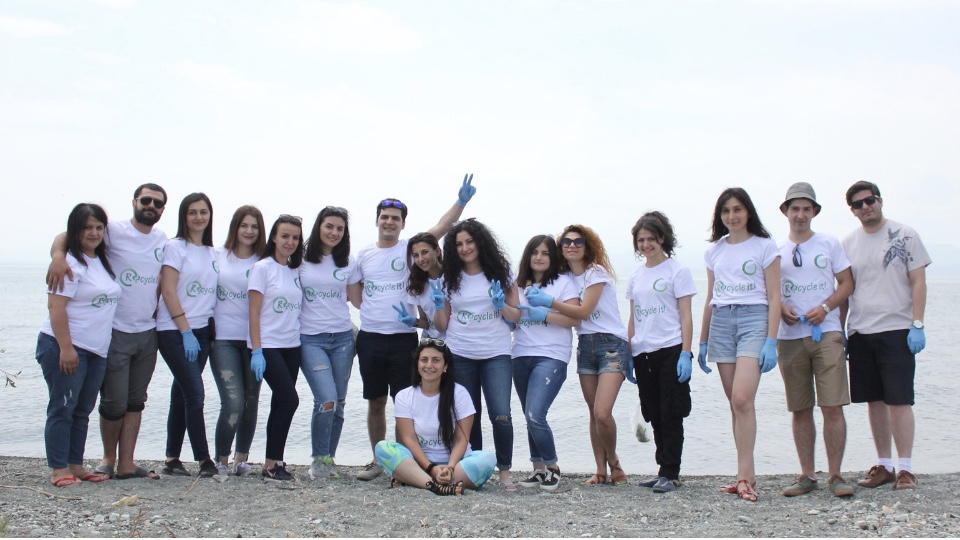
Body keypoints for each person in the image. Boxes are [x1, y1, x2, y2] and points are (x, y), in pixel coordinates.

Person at [354, 175, 476, 481]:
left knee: (403, 401)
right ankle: (379, 460)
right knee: (376, 401)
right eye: (385, 218)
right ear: (377, 221)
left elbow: (443, 227)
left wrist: (460, 202)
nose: (390, 223)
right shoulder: (364, 255)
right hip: (370, 337)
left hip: (404, 339)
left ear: (403, 224)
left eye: (395, 218)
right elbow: (355, 293)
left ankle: (404, 463)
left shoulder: (411, 249)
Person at [46, 184, 168, 481]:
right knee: (101, 403)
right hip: (104, 336)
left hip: (138, 334)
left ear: (163, 208)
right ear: (135, 202)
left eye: (158, 202)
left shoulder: (160, 240)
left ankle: (120, 464)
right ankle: (96, 462)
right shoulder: (112, 231)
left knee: (125, 402)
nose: (151, 205)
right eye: (146, 200)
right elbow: (66, 236)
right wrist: (58, 257)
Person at [525, 224, 631, 486]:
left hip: (611, 344)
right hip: (585, 346)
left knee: (603, 412)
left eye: (578, 241)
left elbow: (583, 312)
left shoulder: (596, 272)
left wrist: (547, 303)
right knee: (593, 412)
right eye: (566, 242)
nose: (572, 245)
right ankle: (600, 470)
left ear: (588, 245)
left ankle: (615, 462)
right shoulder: (565, 279)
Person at [842, 181, 930, 491]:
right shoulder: (848, 244)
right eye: (858, 204)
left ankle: (905, 468)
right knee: (874, 402)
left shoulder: (905, 235)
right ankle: (885, 465)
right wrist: (841, 332)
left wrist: (917, 323)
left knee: (899, 400)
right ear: (852, 210)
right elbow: (845, 290)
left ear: (880, 200)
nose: (866, 207)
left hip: (897, 328)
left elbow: (918, 281)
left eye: (870, 200)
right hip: (861, 331)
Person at [697, 187, 780, 503]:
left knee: (744, 398)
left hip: (753, 319)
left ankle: (745, 478)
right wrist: (702, 341)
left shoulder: (765, 246)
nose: (732, 216)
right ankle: (746, 474)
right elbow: (710, 296)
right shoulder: (714, 251)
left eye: (738, 209)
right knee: (735, 402)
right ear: (720, 217)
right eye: (726, 211)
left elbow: (775, 296)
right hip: (721, 320)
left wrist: (771, 339)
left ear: (748, 212)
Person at [775, 183, 855, 498]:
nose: (800, 214)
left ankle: (836, 475)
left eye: (807, 209)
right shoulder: (775, 250)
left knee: (832, 405)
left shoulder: (829, 244)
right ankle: (807, 475)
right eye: (795, 208)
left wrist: (825, 308)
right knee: (800, 408)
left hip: (827, 332)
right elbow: (768, 290)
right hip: (789, 337)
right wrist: (781, 308)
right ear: (786, 212)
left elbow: (847, 283)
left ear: (814, 212)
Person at [433, 219, 521, 490]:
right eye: (458, 244)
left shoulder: (502, 273)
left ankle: (504, 472)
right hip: (460, 353)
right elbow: (442, 326)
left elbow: (514, 319)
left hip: (496, 353)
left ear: (481, 242)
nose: (465, 248)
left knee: (501, 414)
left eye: (470, 241)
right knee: (469, 416)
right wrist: (438, 307)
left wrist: (501, 305)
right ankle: (476, 470)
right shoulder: (449, 277)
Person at [38, 203, 121, 487]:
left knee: (83, 409)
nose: (93, 232)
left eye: (98, 227)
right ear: (76, 229)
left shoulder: (100, 259)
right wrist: (66, 348)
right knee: (62, 406)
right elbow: (56, 308)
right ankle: (59, 469)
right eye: (87, 227)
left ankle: (76, 463)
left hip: (97, 350)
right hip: (66, 346)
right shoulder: (70, 263)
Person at [626, 212, 696, 494]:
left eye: (651, 239)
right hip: (644, 352)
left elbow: (686, 316)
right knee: (652, 411)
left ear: (662, 239)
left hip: (670, 348)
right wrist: (630, 351)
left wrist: (686, 353)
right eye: (641, 240)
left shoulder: (677, 271)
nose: (646, 244)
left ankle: (671, 471)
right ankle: (661, 470)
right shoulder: (635, 275)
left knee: (671, 412)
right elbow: (634, 316)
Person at [374, 339, 497, 495]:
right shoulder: (404, 396)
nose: (429, 365)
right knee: (382, 448)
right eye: (424, 360)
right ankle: (437, 485)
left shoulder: (460, 393)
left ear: (445, 366)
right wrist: (431, 468)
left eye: (436, 360)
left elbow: (462, 439)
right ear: (417, 365)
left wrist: (450, 468)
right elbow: (409, 439)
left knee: (487, 459)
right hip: (421, 465)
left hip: (456, 465)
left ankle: (420, 482)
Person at [157, 193, 219, 478]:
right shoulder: (175, 247)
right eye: (192, 212)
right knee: (195, 393)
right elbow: (168, 290)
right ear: (184, 216)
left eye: (203, 212)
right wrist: (185, 331)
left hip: (203, 331)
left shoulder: (212, 252)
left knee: (180, 393)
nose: (198, 217)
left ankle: (172, 459)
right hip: (174, 330)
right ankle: (205, 460)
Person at [511, 235, 580, 491]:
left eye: (545, 253)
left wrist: (547, 313)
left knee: (535, 414)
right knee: (528, 413)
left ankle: (553, 467)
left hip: (552, 355)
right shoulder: (517, 285)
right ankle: (538, 470)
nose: (539, 257)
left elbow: (574, 319)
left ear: (553, 258)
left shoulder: (563, 283)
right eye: (534, 252)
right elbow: (513, 319)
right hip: (519, 354)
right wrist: (503, 308)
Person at [299, 206, 363, 479]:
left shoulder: (347, 261)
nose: (334, 232)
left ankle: (329, 459)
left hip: (343, 339)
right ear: (318, 227)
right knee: (325, 400)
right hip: (310, 339)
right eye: (329, 226)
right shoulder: (299, 259)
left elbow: (358, 301)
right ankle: (317, 459)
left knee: (339, 401)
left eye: (340, 228)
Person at [209, 205, 265, 476]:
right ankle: (220, 458)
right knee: (232, 401)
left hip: (256, 341)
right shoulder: (218, 256)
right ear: (235, 227)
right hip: (223, 339)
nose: (249, 231)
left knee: (251, 400)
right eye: (244, 225)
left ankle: (241, 459)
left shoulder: (264, 261)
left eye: (254, 226)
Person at [248, 214, 305, 481]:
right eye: (285, 236)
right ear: (274, 237)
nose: (290, 242)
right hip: (269, 345)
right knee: (290, 399)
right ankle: (272, 462)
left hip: (292, 345)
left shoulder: (295, 270)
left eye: (295, 237)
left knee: (279, 403)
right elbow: (253, 313)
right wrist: (256, 350)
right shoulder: (262, 268)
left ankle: (274, 462)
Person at [401, 232, 445, 340]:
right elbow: (426, 322)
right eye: (416, 255)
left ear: (437, 251)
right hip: (430, 340)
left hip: (456, 342)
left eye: (424, 252)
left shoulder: (454, 278)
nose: (420, 259)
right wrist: (413, 321)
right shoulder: (417, 283)